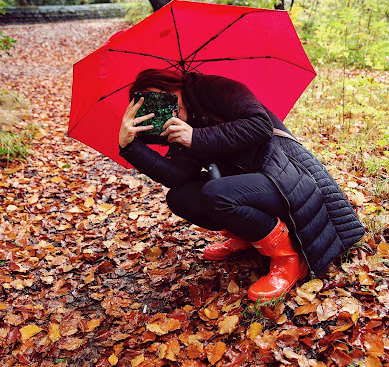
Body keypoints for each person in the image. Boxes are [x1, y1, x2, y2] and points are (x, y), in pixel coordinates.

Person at [118, 68, 365, 301]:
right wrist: (130, 147)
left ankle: (289, 260)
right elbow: (179, 176)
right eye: (153, 104)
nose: (167, 105)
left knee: (218, 193)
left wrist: (196, 137)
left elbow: (260, 126)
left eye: (166, 95)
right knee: (180, 197)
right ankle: (249, 234)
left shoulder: (216, 88)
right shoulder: (180, 124)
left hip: (286, 173)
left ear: (175, 85)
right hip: (253, 184)